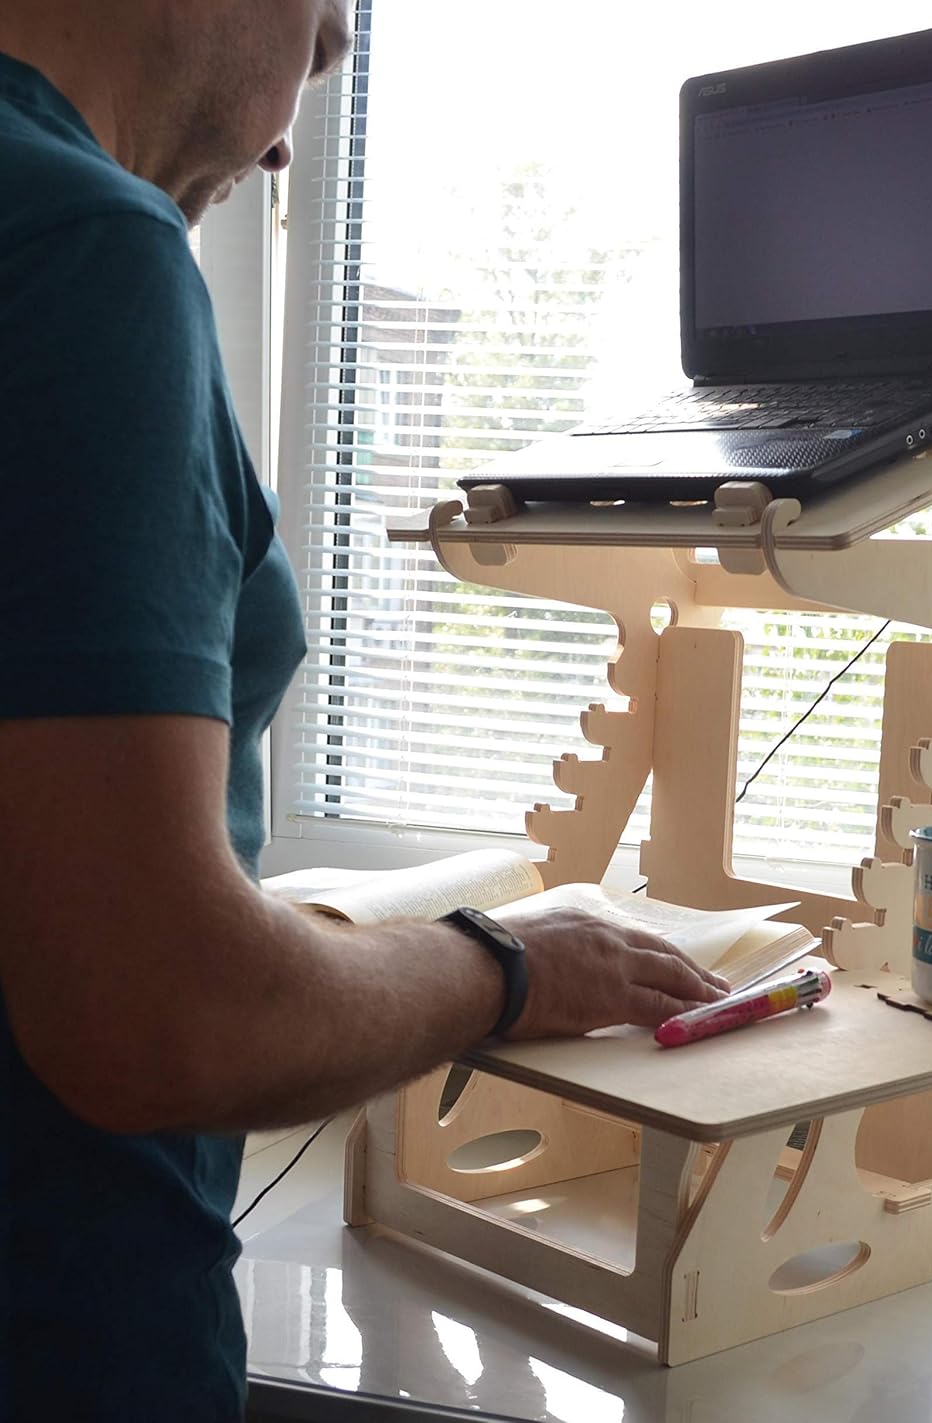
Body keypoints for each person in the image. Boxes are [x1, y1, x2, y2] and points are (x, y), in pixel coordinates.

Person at [0, 3, 728, 1417]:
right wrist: (512, 969)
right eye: (324, 47)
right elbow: (161, 1015)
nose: (286, 146)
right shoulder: (86, 247)